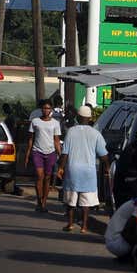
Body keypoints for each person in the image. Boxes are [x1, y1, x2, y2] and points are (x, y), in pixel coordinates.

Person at [59, 105, 110, 234]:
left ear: (78, 117)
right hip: (89, 172)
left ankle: (70, 224)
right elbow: (104, 155)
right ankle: (84, 226)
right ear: (90, 118)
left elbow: (65, 153)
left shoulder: (71, 131)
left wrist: (60, 168)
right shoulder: (96, 133)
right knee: (86, 202)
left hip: (73, 170)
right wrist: (107, 168)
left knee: (71, 200)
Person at [27, 98, 63, 212]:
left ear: (51, 109)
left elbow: (56, 141)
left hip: (51, 152)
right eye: (44, 108)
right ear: (41, 109)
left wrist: (61, 155)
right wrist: (28, 154)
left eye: (48, 108)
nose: (46, 110)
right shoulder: (35, 121)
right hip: (37, 151)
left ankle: (44, 202)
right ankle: (38, 200)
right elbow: (30, 139)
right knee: (39, 175)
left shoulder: (55, 123)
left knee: (47, 177)